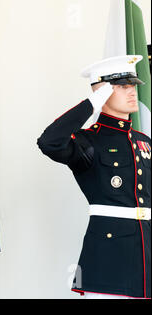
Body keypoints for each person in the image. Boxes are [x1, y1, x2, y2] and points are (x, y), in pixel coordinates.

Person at [38, 55, 150, 299]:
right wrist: (92, 103)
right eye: (122, 87)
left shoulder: (143, 142)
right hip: (109, 257)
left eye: (133, 86)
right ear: (103, 92)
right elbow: (49, 142)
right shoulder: (89, 142)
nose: (132, 92)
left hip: (147, 254)